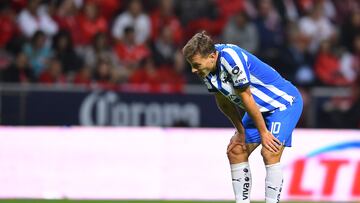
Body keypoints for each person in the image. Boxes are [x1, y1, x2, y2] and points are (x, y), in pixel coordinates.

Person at [182, 31, 303, 203]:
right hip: (258, 109)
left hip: (282, 104)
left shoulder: (231, 58)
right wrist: (240, 131)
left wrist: (264, 133)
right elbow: (223, 102)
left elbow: (246, 97)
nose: (193, 70)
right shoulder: (206, 69)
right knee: (236, 150)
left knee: (270, 152)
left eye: (196, 64)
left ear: (212, 56)